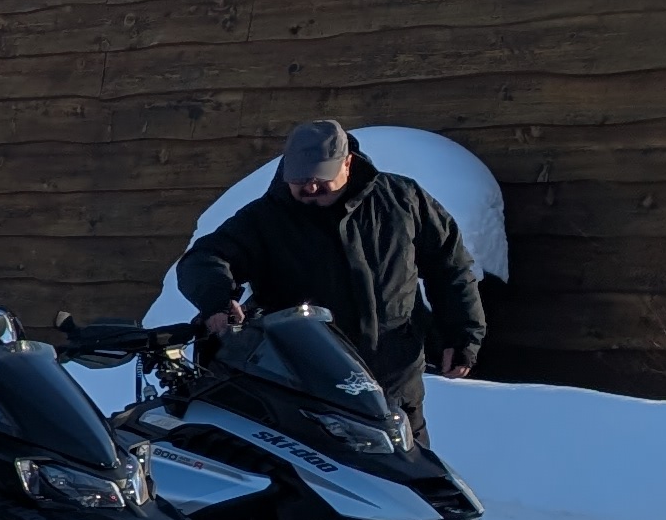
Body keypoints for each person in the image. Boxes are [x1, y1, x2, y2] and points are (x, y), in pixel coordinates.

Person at [176, 120, 484, 421]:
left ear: (347, 163)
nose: (310, 187)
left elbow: (450, 266)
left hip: (395, 379)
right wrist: (217, 300)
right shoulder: (266, 219)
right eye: (299, 180)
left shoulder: (401, 199)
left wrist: (461, 335)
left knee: (410, 468)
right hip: (309, 386)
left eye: (321, 178)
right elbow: (204, 258)